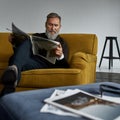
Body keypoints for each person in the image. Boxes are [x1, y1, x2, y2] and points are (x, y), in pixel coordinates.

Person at [0, 12, 69, 96]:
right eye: (50, 25)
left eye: (56, 25)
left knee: (14, 61)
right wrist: (14, 43)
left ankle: (12, 72)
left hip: (47, 65)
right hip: (31, 62)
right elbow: (21, 54)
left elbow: (66, 66)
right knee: (27, 41)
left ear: (60, 27)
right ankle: (12, 78)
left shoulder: (62, 43)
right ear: (45, 25)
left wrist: (60, 56)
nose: (52, 28)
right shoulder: (36, 36)